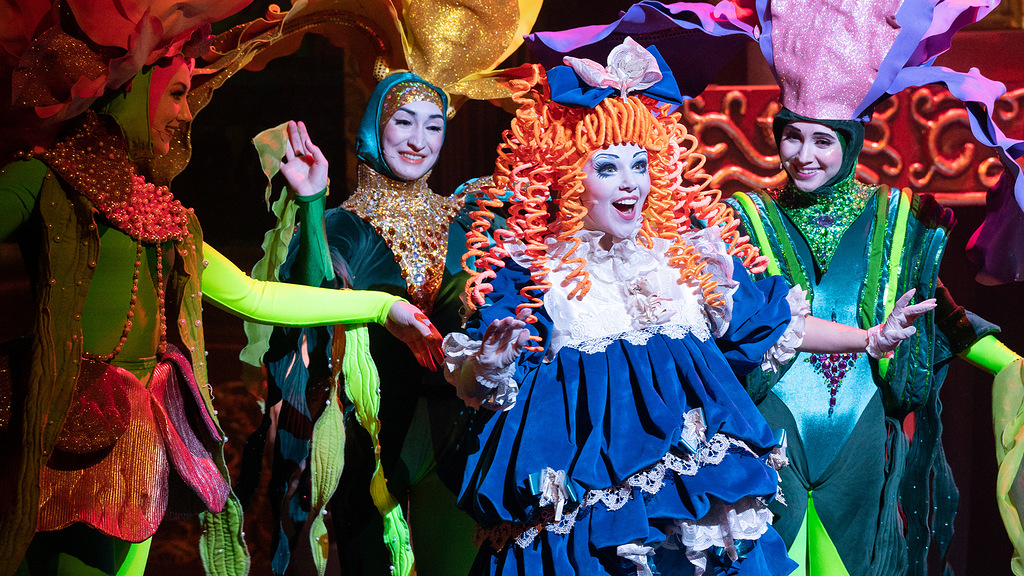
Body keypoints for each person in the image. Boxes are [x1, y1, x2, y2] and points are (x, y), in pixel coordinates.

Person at [441, 39, 933, 576]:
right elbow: (479, 380)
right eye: (607, 168)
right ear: (567, 175)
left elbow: (771, 323)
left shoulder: (687, 260)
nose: (630, 183)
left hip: (685, 501)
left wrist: (869, 339)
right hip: (591, 505)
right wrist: (488, 363)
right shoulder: (537, 272)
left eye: (640, 165)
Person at [0, 53, 442, 576]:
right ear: (125, 87)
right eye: (177, 93)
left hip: (141, 443)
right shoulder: (43, 180)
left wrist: (383, 307)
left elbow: (255, 297)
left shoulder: (164, 216)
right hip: (57, 436)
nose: (187, 114)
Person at [725, 109, 1021, 576]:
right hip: (772, 436)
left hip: (855, 441)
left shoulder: (897, 218)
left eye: (823, 141)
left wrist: (1011, 365)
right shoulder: (743, 220)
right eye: (792, 137)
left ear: (851, 144)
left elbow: (941, 316)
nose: (804, 155)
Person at [241, 72, 487, 575]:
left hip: (458, 437)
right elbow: (312, 294)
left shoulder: (469, 222)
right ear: (376, 127)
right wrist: (311, 202)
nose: (419, 140)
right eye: (404, 122)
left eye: (434, 126)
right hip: (370, 438)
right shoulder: (344, 225)